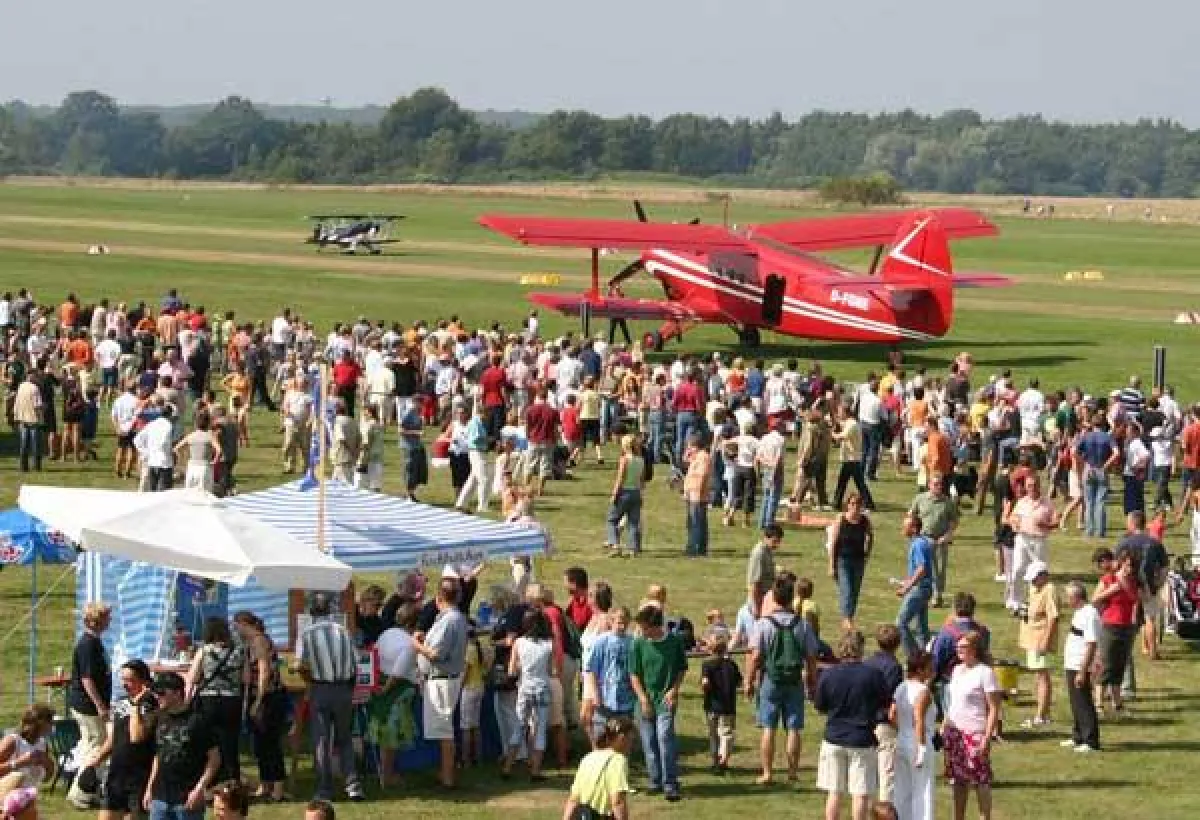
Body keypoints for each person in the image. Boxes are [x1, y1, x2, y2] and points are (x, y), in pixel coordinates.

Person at [744, 575, 818, 785]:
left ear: (775, 598)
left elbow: (756, 656)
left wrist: (749, 681)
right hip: (794, 680)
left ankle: (767, 772)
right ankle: (792, 772)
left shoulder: (763, 625)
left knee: (769, 727)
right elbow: (811, 657)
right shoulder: (802, 625)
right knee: (793, 728)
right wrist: (812, 682)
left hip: (771, 679)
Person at [814, 628, 889, 820]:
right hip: (862, 738)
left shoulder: (829, 675)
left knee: (834, 791)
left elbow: (820, 705)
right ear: (861, 648)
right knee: (860, 793)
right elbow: (885, 703)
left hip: (834, 736)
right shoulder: (873, 675)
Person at [296, 594, 364, 803]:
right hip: (343, 688)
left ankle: (325, 789)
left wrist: (309, 680)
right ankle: (352, 785)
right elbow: (355, 663)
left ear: (311, 612)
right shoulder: (344, 631)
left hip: (320, 688)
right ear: (331, 611)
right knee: (344, 739)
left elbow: (300, 664)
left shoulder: (306, 634)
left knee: (322, 740)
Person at [413, 577, 469, 788]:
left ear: (439, 597)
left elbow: (436, 653)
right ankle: (445, 773)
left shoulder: (449, 620)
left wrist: (417, 645)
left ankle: (447, 777)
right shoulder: (454, 618)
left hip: (442, 680)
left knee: (444, 732)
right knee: (442, 730)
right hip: (443, 679)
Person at [629, 603, 687, 801]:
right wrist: (643, 699)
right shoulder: (638, 644)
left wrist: (674, 689)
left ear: (654, 626)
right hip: (645, 698)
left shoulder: (674, 642)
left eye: (644, 628)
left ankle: (670, 782)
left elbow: (681, 668)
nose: (642, 631)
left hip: (665, 699)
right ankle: (655, 780)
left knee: (664, 737)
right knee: (649, 741)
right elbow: (634, 674)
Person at [142, 672, 220, 820]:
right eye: (155, 693)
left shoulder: (198, 721)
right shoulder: (159, 718)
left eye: (162, 692)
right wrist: (149, 788)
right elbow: (158, 756)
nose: (157, 696)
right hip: (159, 799)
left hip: (187, 799)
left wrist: (199, 789)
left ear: (177, 693)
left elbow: (214, 759)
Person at [942, 631, 1001, 820]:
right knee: (958, 781)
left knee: (980, 781)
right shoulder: (957, 669)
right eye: (957, 646)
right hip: (954, 731)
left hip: (975, 732)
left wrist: (986, 736)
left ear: (974, 649)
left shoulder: (985, 672)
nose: (958, 650)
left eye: (963, 647)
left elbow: (993, 707)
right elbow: (952, 701)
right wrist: (945, 724)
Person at [232, 612, 290, 801]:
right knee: (261, 745)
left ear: (244, 624)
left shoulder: (259, 641)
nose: (236, 630)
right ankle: (265, 784)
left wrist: (257, 701)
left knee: (270, 743)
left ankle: (278, 788)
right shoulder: (252, 643)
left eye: (237, 626)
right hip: (260, 696)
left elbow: (264, 671)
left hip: (268, 698)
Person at [185, 617, 245, 784]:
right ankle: (233, 780)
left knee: (207, 742)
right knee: (230, 741)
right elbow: (246, 677)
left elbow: (193, 677)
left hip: (208, 699)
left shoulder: (204, 650)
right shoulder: (239, 650)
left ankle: (209, 781)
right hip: (232, 700)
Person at [366, 601, 419, 788]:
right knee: (390, 736)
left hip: (381, 683)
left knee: (385, 736)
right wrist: (385, 691)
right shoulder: (409, 643)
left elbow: (374, 656)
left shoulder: (385, 634)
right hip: (395, 691)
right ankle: (387, 776)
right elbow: (397, 674)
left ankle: (386, 772)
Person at [66, 602, 112, 809]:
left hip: (88, 703)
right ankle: (81, 793)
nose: (109, 621)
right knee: (97, 747)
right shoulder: (88, 645)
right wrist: (100, 705)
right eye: (106, 618)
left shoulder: (95, 643)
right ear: (97, 621)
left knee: (90, 746)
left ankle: (86, 789)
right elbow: (87, 679)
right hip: (88, 705)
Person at [504, 609, 555, 780]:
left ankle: (508, 766)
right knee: (540, 729)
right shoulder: (549, 644)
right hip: (542, 686)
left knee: (519, 726)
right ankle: (535, 769)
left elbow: (511, 669)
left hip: (525, 687)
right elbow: (551, 670)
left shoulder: (519, 643)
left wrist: (520, 666)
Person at [1091, 547, 1138, 714]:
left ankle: (1117, 703)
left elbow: (1134, 598)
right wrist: (1111, 591)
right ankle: (1098, 702)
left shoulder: (1132, 581)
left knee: (1120, 664)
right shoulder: (1107, 579)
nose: (1128, 569)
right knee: (1106, 663)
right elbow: (1095, 599)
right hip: (1110, 625)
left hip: (1126, 626)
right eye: (1126, 565)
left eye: (1131, 566)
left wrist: (1123, 583)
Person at [561, 716, 636, 820]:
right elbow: (617, 801)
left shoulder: (588, 757)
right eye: (631, 739)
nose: (632, 744)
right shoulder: (617, 760)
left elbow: (573, 799)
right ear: (622, 738)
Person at [865, 626, 904, 819]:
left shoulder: (868, 662)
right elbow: (892, 700)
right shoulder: (894, 667)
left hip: (866, 722)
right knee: (887, 773)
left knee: (868, 772)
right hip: (884, 722)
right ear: (897, 644)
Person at [892, 651, 936, 820]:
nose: (932, 670)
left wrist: (902, 730)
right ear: (920, 670)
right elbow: (918, 718)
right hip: (918, 742)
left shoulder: (901, 686)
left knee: (902, 791)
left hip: (902, 741)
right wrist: (922, 748)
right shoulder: (923, 690)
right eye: (929, 668)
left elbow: (892, 714)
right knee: (922, 791)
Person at [908, 473, 960, 608]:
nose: (938, 487)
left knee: (939, 569)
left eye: (940, 484)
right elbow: (911, 515)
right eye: (935, 484)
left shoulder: (947, 502)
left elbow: (954, 521)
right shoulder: (920, 499)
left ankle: (937, 596)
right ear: (929, 485)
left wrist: (948, 535)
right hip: (923, 539)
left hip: (940, 540)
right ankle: (920, 592)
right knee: (922, 567)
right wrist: (912, 531)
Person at [1018, 561, 1059, 729]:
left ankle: (1041, 715)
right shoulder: (1034, 589)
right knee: (1038, 676)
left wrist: (1046, 641)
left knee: (1042, 677)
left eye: (1035, 579)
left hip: (1040, 640)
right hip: (1032, 639)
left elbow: (1053, 617)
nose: (1032, 582)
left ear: (1043, 576)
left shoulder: (1050, 590)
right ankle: (1043, 713)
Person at [1061, 581, 1101, 753]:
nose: (1066, 600)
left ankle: (1090, 740)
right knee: (1076, 702)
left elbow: (1091, 644)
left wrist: (1083, 670)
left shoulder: (1090, 614)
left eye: (1068, 597)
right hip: (1072, 664)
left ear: (1076, 597)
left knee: (1084, 702)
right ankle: (1078, 736)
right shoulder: (1079, 613)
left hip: (1080, 665)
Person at [829, 494, 874, 628]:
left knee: (854, 592)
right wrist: (831, 565)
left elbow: (871, 536)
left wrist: (867, 554)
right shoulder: (840, 519)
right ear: (848, 505)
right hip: (843, 560)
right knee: (847, 590)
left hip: (858, 561)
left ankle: (848, 618)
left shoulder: (864, 520)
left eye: (858, 504)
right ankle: (847, 619)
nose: (855, 507)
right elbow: (834, 542)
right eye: (852, 503)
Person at [896, 512, 935, 657]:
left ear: (913, 528)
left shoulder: (918, 544)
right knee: (921, 628)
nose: (902, 529)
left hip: (919, 590)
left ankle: (914, 656)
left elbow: (922, 568)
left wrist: (907, 587)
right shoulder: (921, 542)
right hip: (924, 588)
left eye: (905, 526)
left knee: (901, 623)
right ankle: (926, 657)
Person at [701, 634, 742, 773]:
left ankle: (715, 761)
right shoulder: (732, 665)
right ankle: (723, 759)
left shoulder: (707, 664)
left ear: (710, 649)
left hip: (712, 704)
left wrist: (706, 687)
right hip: (728, 705)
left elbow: (705, 682)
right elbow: (739, 682)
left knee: (713, 735)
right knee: (726, 733)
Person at [605, 434, 646, 556]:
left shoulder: (624, 459)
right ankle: (633, 548)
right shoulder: (641, 460)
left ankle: (615, 544)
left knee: (612, 520)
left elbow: (620, 478)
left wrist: (614, 493)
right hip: (636, 492)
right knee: (633, 522)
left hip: (624, 492)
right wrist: (641, 494)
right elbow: (642, 480)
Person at [0, 706, 53, 788]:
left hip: (27, 797)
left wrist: (49, 765)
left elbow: (45, 779)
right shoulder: (13, 741)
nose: (52, 725)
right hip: (5, 796)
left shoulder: (42, 744)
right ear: (38, 723)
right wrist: (19, 763)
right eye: (49, 721)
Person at [682, 431, 712, 556]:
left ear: (695, 446)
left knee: (696, 523)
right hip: (692, 494)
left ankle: (697, 548)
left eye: (689, 446)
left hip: (698, 495)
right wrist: (687, 454)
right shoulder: (696, 457)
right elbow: (685, 461)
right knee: (692, 522)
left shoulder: (703, 457)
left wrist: (698, 494)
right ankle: (693, 546)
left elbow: (702, 476)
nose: (688, 449)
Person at [746, 524, 782, 617]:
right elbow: (754, 584)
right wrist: (758, 609)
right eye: (774, 541)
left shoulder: (767, 550)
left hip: (766, 597)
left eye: (778, 542)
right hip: (758, 599)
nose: (777, 545)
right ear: (766, 538)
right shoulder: (759, 553)